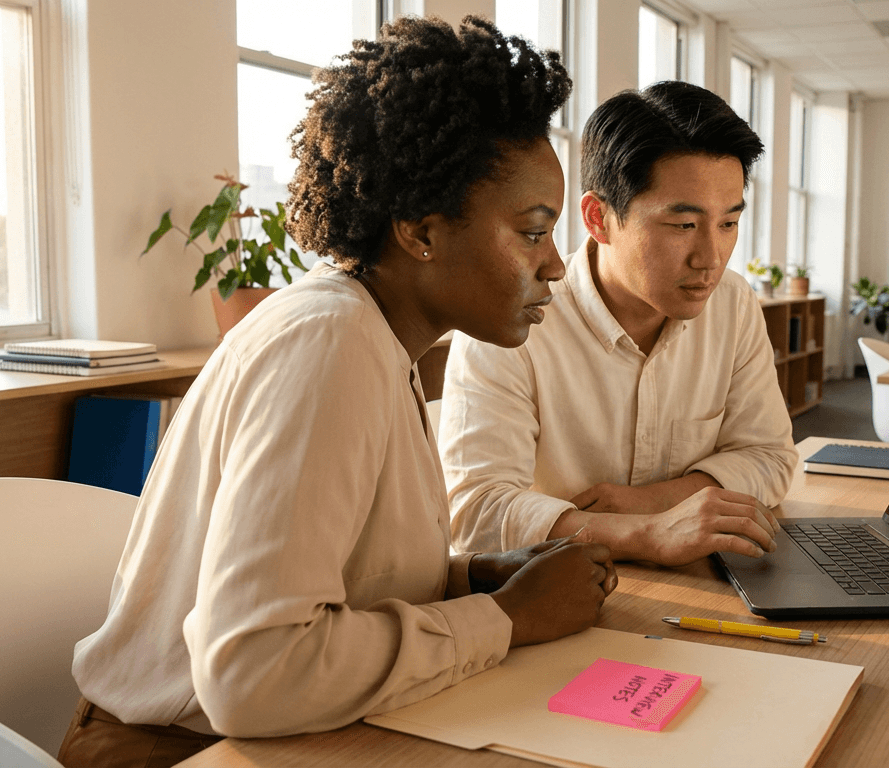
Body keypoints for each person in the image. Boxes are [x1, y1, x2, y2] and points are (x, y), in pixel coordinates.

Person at [58, 17, 615, 768]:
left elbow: (342, 576)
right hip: (178, 752)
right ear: (421, 232)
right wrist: (504, 619)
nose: (555, 266)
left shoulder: (373, 334)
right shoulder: (330, 343)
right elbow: (253, 673)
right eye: (531, 232)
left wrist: (469, 578)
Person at [441, 81, 798, 567]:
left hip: (698, 583)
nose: (710, 258)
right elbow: (474, 512)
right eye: (683, 225)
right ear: (598, 218)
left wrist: (650, 503)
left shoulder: (732, 304)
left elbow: (771, 457)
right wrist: (644, 533)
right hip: (556, 592)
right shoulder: (508, 323)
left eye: (728, 224)